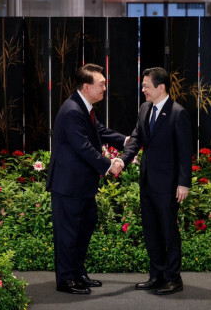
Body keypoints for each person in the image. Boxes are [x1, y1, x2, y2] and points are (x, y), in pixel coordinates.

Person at [46, 63, 126, 295]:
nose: (105, 87)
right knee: (68, 233)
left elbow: (99, 131)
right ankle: (66, 280)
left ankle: (78, 272)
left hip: (82, 185)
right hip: (68, 186)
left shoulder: (85, 107)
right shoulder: (72, 110)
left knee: (84, 227)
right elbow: (83, 147)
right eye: (101, 84)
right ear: (86, 86)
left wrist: (127, 141)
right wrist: (110, 165)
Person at [120, 67, 192, 295]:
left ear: (161, 87)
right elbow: (136, 139)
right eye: (143, 86)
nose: (143, 90)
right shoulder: (144, 109)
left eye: (146, 86)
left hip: (169, 185)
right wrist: (122, 161)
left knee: (168, 231)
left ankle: (173, 279)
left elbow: (185, 152)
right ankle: (156, 275)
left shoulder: (177, 113)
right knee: (151, 230)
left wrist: (184, 183)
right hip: (147, 182)